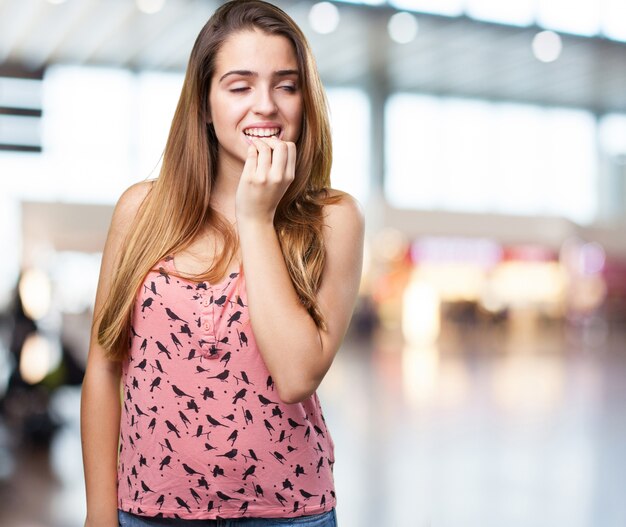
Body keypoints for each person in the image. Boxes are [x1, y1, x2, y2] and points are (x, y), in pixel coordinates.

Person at [80, 1, 364, 526]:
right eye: (239, 86)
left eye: (286, 84)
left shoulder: (333, 219)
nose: (266, 106)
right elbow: (103, 367)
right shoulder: (142, 211)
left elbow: (298, 374)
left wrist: (255, 219)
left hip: (287, 513)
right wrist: (100, 515)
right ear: (205, 107)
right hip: (148, 512)